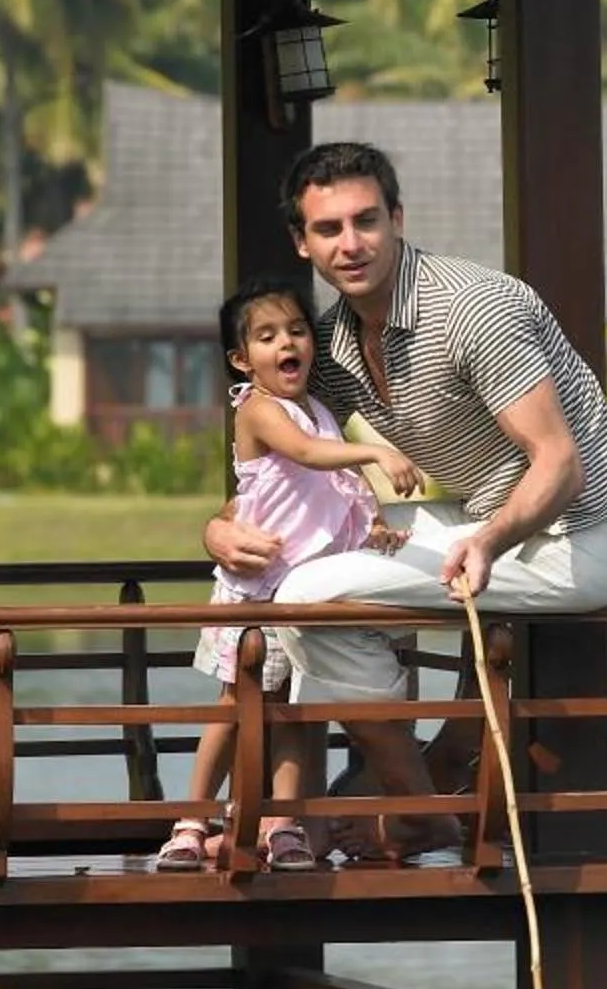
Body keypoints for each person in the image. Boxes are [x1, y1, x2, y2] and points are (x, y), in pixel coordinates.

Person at [202, 143, 607, 801]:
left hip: (576, 539)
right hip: (480, 520)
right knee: (299, 560)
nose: (351, 244)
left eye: (366, 221)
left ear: (397, 219)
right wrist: (219, 530)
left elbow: (561, 465)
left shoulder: (473, 312)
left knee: (304, 590)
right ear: (303, 243)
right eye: (328, 229)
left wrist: (488, 542)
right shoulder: (335, 342)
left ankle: (407, 801)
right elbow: (277, 464)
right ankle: (372, 784)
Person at [154, 280, 426, 874]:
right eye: (267, 335)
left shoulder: (322, 413)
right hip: (258, 592)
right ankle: (191, 820)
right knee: (236, 708)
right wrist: (376, 454)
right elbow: (303, 454)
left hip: (307, 598)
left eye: (297, 331)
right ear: (241, 359)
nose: (287, 343)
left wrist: (374, 528)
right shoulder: (257, 408)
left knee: (300, 714)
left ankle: (284, 824)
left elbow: (337, 492)